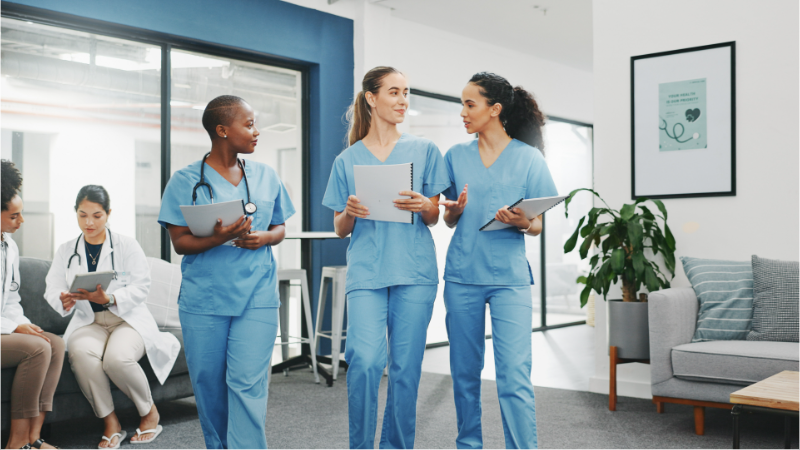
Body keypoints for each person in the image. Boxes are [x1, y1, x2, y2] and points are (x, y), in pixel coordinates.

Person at [322, 66, 451, 449]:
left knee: (405, 370)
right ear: (372, 98)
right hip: (367, 271)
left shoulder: (424, 150)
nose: (402, 100)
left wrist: (425, 203)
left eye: (406, 93)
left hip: (414, 270)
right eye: (394, 92)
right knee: (363, 361)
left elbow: (434, 217)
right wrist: (349, 211)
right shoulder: (347, 159)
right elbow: (339, 228)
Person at [158, 95, 293, 449]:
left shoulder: (265, 175)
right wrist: (218, 238)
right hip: (205, 299)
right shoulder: (185, 181)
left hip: (257, 297)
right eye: (248, 124)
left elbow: (279, 227)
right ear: (221, 130)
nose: (256, 131)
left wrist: (265, 237)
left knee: (248, 384)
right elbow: (180, 242)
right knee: (209, 386)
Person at [440, 72, 558, 449]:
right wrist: (454, 211)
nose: (462, 112)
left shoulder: (529, 159)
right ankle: (468, 445)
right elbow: (447, 217)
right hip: (462, 276)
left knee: (514, 375)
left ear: (494, 109)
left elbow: (537, 225)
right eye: (462, 103)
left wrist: (523, 220)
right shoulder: (455, 157)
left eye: (469, 104)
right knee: (464, 374)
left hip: (509, 280)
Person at [44, 185, 180, 449]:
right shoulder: (65, 250)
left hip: (126, 320)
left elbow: (141, 286)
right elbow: (52, 287)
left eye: (96, 215)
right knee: (81, 354)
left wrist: (110, 299)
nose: (89, 222)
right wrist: (62, 298)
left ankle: (149, 411)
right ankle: (110, 422)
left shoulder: (126, 246)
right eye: (82, 215)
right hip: (89, 322)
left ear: (108, 214)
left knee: (117, 359)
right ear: (75, 213)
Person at [1, 160, 65, 450]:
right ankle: (16, 443)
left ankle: (33, 438)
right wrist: (14, 326)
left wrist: (22, 324)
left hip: (4, 328)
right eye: (14, 216)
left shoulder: (9, 247)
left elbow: (11, 298)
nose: (21, 221)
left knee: (55, 344)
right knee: (38, 348)